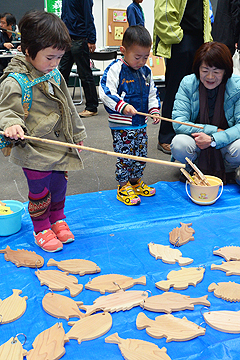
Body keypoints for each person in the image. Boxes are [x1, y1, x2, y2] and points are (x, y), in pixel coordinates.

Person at [0, 10, 87, 252]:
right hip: (35, 149)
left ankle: (58, 219)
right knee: (40, 191)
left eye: (59, 57)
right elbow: (6, 109)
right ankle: (41, 227)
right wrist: (11, 124)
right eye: (50, 57)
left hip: (60, 145)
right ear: (28, 51)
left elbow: (69, 108)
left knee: (59, 185)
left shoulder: (54, 74)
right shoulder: (15, 80)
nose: (55, 63)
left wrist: (76, 136)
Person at [99, 25, 161, 206]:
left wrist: (154, 109)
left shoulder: (146, 72)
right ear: (123, 51)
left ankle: (136, 182)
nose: (141, 61)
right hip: (122, 125)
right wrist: (122, 105)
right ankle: (123, 185)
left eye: (145, 57)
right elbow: (105, 92)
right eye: (137, 57)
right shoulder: (115, 69)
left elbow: (152, 93)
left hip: (140, 124)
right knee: (125, 155)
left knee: (140, 154)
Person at [170, 42, 240, 185]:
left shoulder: (237, 86)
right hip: (197, 142)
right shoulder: (188, 83)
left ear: (225, 71)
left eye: (216, 71)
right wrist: (212, 131)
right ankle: (193, 167)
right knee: (179, 144)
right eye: (205, 70)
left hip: (223, 143)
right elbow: (178, 122)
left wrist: (214, 139)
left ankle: (229, 170)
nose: (210, 76)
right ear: (198, 69)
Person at [153, 0, 212, 154]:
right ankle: (166, 136)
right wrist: (178, 37)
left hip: (199, 39)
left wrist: (207, 39)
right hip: (182, 40)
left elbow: (205, 14)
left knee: (197, 91)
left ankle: (188, 134)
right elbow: (163, 13)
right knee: (175, 89)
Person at [59, 0, 98, 118]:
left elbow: (88, 16)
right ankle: (58, 104)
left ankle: (92, 107)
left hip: (80, 38)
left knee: (85, 74)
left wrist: (91, 39)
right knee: (61, 73)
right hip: (67, 38)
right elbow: (64, 15)